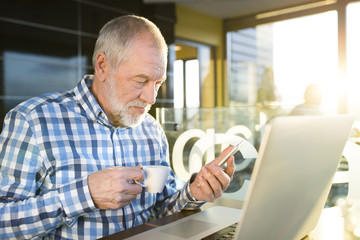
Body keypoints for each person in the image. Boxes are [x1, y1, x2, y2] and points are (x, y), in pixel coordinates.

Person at [0, 15, 235, 239]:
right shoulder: (33, 120)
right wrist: (86, 194)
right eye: (141, 81)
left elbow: (163, 206)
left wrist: (195, 192)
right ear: (102, 66)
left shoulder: (151, 129)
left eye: (158, 82)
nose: (152, 97)